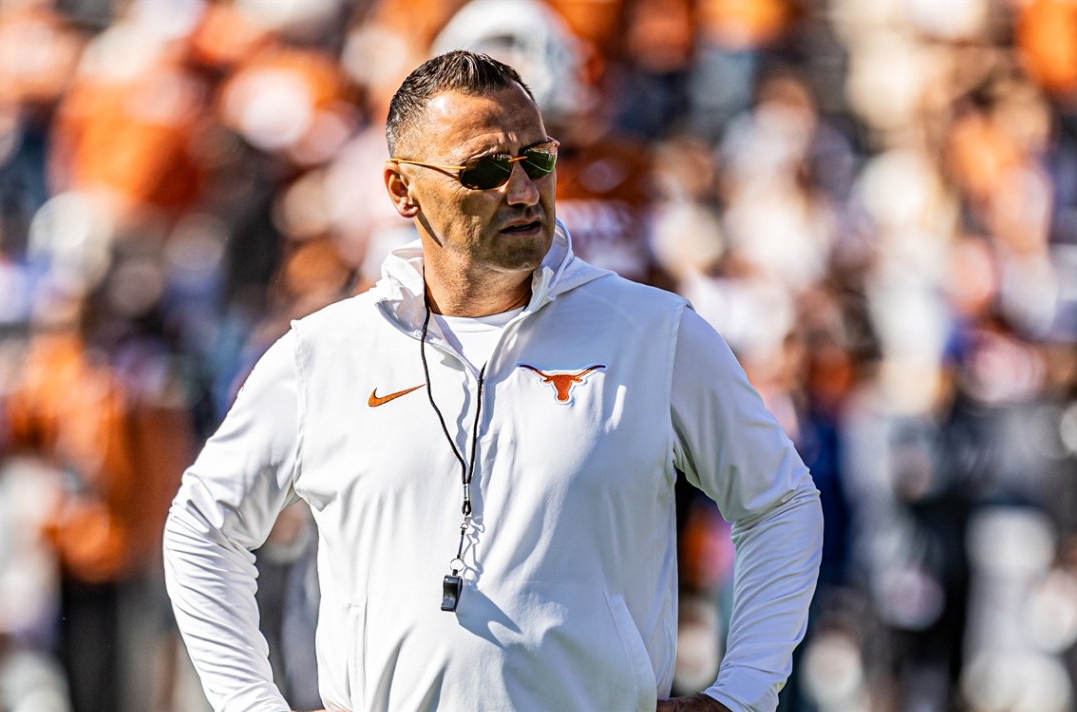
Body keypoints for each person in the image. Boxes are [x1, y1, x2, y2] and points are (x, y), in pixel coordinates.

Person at [163, 50, 823, 712]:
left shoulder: (654, 331)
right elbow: (202, 527)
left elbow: (782, 503)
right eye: (485, 170)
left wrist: (742, 693)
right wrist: (250, 703)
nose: (525, 191)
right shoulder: (324, 353)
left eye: (538, 160)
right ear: (401, 189)